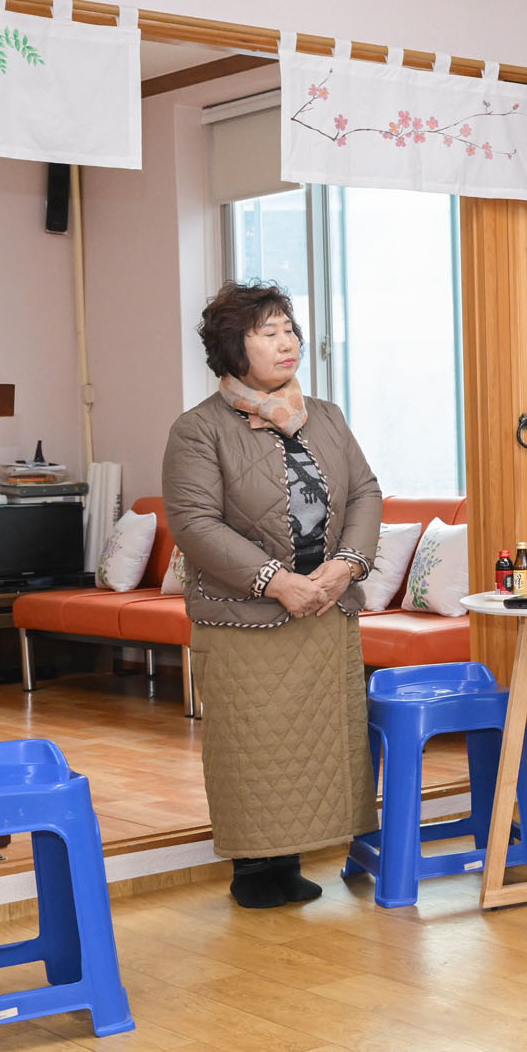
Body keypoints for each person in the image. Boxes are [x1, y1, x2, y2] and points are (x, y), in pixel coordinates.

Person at [163, 282, 383, 910]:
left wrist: (345, 567)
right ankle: (258, 869)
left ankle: (296, 859)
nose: (287, 343)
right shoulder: (198, 429)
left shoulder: (327, 416)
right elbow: (195, 524)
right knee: (255, 747)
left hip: (326, 609)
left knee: (319, 747)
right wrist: (276, 582)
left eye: (289, 329)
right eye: (268, 333)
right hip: (246, 619)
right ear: (234, 348)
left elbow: (365, 492)